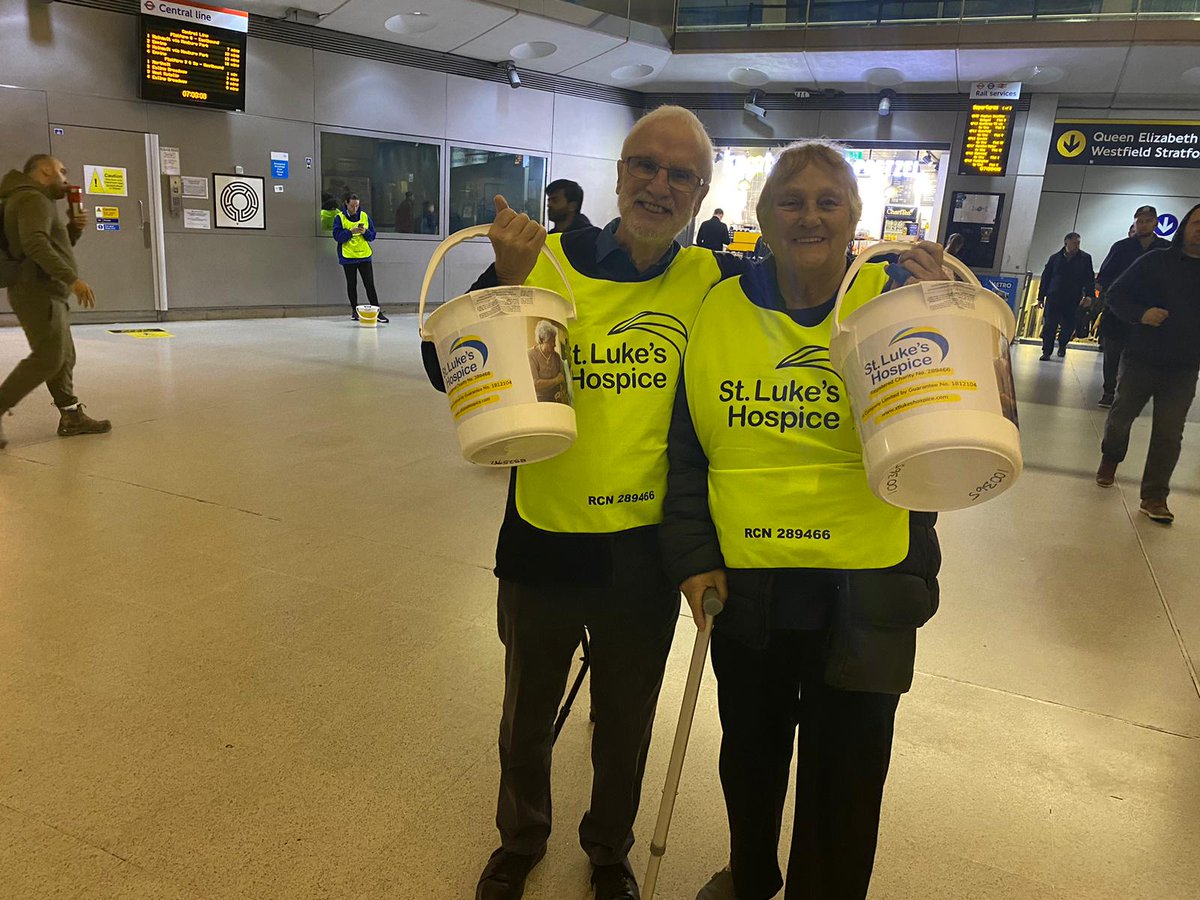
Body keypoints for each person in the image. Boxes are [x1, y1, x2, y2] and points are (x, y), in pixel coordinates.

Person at [422, 105, 746, 900]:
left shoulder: (713, 280)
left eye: (681, 175)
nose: (659, 185)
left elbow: (816, 297)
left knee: (626, 721)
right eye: (646, 166)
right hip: (545, 535)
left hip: (643, 549)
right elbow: (442, 367)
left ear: (702, 194)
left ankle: (608, 851)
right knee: (526, 714)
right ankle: (520, 839)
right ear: (620, 174)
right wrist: (504, 277)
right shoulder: (544, 256)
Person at [660, 140, 946, 900]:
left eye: (828, 201)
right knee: (750, 755)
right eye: (792, 200)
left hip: (870, 584)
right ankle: (751, 876)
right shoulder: (718, 308)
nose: (810, 216)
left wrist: (948, 308)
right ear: (763, 216)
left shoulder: (900, 300)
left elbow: (954, 430)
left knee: (848, 772)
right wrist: (693, 556)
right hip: (749, 586)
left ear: (855, 216)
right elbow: (686, 449)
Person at [1095, 203, 1200, 525]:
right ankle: (1111, 457)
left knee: (1169, 432)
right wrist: (1140, 314)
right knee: (1121, 417)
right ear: (1185, 226)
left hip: (1184, 366)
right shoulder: (1156, 260)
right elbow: (1115, 294)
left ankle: (1155, 497)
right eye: (1197, 222)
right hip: (1142, 357)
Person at [1, 154, 110, 450]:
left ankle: (71, 416)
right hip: (38, 291)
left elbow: (49, 245)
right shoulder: (32, 199)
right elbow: (34, 244)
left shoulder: (29, 198)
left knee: (63, 356)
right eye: (62, 171)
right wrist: (72, 279)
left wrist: (73, 229)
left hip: (44, 289)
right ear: (46, 171)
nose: (65, 178)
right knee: (48, 358)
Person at [1094, 205, 1170, 407]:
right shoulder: (1121, 248)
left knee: (1142, 359)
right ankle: (1109, 392)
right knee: (1113, 356)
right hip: (1119, 313)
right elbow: (1105, 277)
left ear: (1155, 223)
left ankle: (1132, 395)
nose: (1143, 225)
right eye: (1139, 221)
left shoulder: (1166, 249)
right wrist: (1111, 299)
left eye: (1147, 221)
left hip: (1149, 314)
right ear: (1134, 223)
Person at [1036, 232, 1094, 360]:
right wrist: (1040, 297)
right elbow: (1046, 278)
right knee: (1049, 325)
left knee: (1069, 325)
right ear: (1066, 242)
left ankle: (1062, 345)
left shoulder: (1085, 258)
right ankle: (1046, 351)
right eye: (1074, 243)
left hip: (1073, 298)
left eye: (1078, 243)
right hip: (1054, 296)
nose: (1077, 245)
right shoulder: (1055, 258)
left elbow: (1089, 278)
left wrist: (1089, 295)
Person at [332, 193, 388, 323]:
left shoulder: (364, 216)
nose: (355, 208)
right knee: (352, 284)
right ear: (346, 203)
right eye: (352, 206)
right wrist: (350, 232)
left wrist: (365, 232)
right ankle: (354, 310)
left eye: (357, 205)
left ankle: (377, 312)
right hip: (348, 257)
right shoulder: (339, 218)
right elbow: (337, 236)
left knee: (369, 284)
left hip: (364, 256)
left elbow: (372, 236)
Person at [527, 319, 567, 403]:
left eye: (554, 341)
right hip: (539, 401)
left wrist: (562, 392)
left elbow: (563, 380)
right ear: (541, 340)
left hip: (556, 399)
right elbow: (535, 384)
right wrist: (556, 380)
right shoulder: (531, 355)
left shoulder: (556, 357)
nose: (554, 344)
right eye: (551, 342)